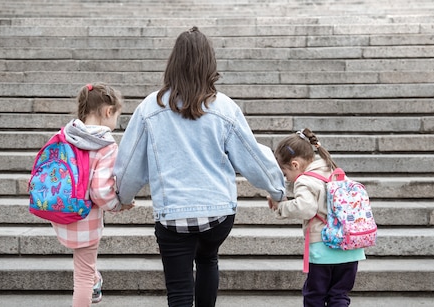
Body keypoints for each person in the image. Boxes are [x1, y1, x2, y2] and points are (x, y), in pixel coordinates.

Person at [113, 26, 286, 307]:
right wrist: (277, 190)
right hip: (218, 213)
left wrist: (122, 197)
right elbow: (252, 157)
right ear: (209, 64)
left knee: (179, 289)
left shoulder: (149, 108)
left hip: (172, 216)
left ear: (173, 63)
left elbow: (131, 162)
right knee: (208, 259)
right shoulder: (225, 108)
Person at [51, 83, 134, 307]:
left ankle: (96, 283)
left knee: (84, 264)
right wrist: (118, 205)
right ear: (108, 111)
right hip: (85, 219)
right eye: (117, 115)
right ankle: (93, 284)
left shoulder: (65, 134)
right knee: (83, 275)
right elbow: (100, 192)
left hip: (60, 209)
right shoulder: (105, 145)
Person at [267, 128, 366, 307]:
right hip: (350, 246)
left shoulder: (304, 180)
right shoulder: (333, 170)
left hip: (323, 248)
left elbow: (306, 208)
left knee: (315, 295)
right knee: (339, 295)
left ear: (295, 165)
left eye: (285, 173)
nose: (287, 179)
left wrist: (280, 207)